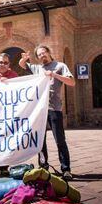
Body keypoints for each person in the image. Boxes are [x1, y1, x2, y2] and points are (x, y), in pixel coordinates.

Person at [19, 45, 75, 180]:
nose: (42, 56)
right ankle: (43, 166)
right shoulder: (37, 68)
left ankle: (66, 169)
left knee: (60, 140)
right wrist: (24, 59)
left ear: (49, 53)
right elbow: (22, 65)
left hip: (54, 109)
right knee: (40, 141)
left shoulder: (60, 66)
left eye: (43, 53)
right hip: (39, 111)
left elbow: (72, 82)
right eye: (39, 55)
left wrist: (54, 74)